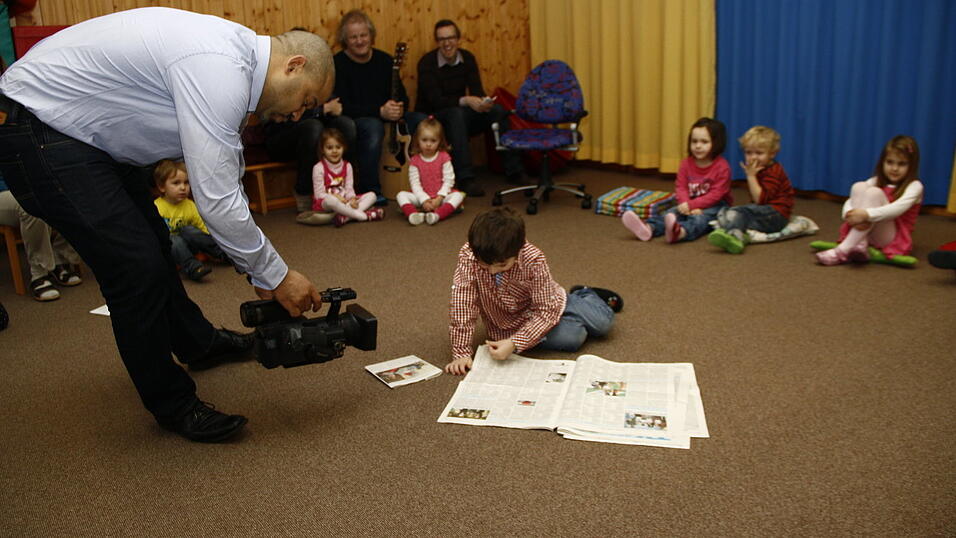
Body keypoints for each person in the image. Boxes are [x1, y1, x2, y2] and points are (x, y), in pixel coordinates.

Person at [0, 7, 334, 442]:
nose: (296, 115)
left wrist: (257, 269)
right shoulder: (221, 67)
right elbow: (216, 200)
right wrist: (278, 275)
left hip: (83, 135)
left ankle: (197, 343)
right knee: (135, 267)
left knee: (155, 242)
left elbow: (224, 174)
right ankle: (172, 404)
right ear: (294, 65)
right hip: (40, 129)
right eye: (305, 101)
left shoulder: (233, 60)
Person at [445, 207, 623, 375]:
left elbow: (546, 308)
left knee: (603, 324)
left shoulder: (533, 258)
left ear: (518, 250)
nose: (491, 271)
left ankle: (585, 293)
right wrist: (461, 352)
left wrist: (515, 343)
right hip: (507, 325)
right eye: (485, 264)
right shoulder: (469, 255)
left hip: (551, 302)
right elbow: (463, 303)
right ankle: (572, 311)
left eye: (501, 265)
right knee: (574, 338)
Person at [415, 19, 524, 197]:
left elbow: (477, 91)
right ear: (437, 42)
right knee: (457, 114)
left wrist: (483, 103)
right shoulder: (427, 63)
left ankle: (514, 170)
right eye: (442, 39)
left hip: (459, 113)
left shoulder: (467, 58)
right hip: (434, 119)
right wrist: (465, 100)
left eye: (450, 38)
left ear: (458, 39)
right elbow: (436, 101)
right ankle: (465, 177)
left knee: (498, 111)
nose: (447, 43)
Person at [261, 27, 353, 218]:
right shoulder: (272, 83)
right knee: (313, 127)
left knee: (345, 125)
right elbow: (277, 119)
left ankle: (345, 188)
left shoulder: (319, 76)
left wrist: (319, 108)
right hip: (279, 140)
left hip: (315, 135)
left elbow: (332, 104)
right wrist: (321, 110)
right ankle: (303, 191)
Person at [333, 10, 417, 205]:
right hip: (357, 121)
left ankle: (424, 183)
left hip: (390, 116)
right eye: (353, 37)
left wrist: (399, 108)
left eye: (363, 35)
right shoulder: (338, 64)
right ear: (345, 40)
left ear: (371, 36)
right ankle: (371, 190)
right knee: (373, 127)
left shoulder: (386, 61)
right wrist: (378, 111)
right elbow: (340, 107)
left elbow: (403, 97)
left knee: (422, 121)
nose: (360, 40)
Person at [815, 136, 924, 266]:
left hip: (891, 237)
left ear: (911, 166)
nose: (894, 168)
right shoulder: (876, 180)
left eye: (901, 164)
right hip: (868, 230)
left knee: (874, 193)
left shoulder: (915, 186)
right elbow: (851, 200)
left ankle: (842, 251)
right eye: (890, 162)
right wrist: (849, 215)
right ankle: (861, 243)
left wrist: (866, 215)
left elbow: (895, 210)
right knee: (858, 186)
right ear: (882, 162)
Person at [622, 117, 732, 243]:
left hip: (715, 205)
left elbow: (716, 195)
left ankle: (680, 233)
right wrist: (685, 204)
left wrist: (693, 206)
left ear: (717, 143)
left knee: (700, 219)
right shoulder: (686, 164)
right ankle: (648, 228)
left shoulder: (722, 167)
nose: (698, 146)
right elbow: (681, 187)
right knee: (670, 213)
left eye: (704, 142)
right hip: (688, 202)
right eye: (694, 141)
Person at [707, 126, 795, 254]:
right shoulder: (760, 168)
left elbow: (760, 200)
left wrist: (750, 176)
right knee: (728, 211)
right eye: (748, 153)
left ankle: (733, 235)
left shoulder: (773, 172)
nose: (753, 158)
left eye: (759, 153)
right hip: (764, 213)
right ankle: (739, 231)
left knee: (740, 212)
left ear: (772, 153)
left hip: (776, 215)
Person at [1, 172, 83, 301]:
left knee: (74, 193)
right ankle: (39, 272)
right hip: (3, 191)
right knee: (31, 204)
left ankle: (60, 257)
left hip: (30, 184)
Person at [153, 160, 233, 281]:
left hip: (190, 246)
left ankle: (224, 255)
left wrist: (213, 240)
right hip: (171, 250)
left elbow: (202, 228)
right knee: (173, 238)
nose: (183, 188)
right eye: (176, 183)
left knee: (188, 230)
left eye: (186, 183)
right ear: (162, 187)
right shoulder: (157, 207)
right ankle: (193, 267)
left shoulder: (190, 205)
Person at [396, 117, 464, 225]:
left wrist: (439, 198)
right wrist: (424, 200)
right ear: (417, 140)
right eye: (424, 140)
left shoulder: (444, 157)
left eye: (433, 140)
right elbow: (415, 184)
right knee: (401, 195)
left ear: (440, 141)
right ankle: (413, 214)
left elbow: (449, 180)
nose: (428, 144)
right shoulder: (415, 160)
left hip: (441, 196)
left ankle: (437, 215)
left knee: (458, 196)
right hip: (421, 197)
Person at [311, 128, 385, 227]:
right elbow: (319, 194)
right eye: (329, 148)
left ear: (343, 148)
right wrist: (335, 197)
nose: (334, 151)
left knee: (372, 195)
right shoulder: (318, 168)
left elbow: (349, 188)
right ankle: (360, 215)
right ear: (322, 150)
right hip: (327, 203)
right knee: (331, 200)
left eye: (338, 147)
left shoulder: (348, 166)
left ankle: (345, 217)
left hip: (346, 202)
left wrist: (352, 199)